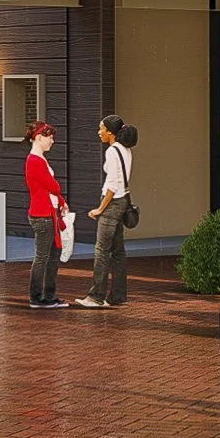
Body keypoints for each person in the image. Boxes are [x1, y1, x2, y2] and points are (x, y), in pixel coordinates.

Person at [76, 115, 137, 309]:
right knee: (118, 251)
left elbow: (112, 184)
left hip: (112, 203)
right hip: (124, 201)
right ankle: (117, 296)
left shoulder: (112, 151)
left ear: (110, 132)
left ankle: (96, 296)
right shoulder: (126, 150)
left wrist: (100, 209)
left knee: (101, 250)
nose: (99, 132)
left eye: (101, 128)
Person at [23, 121, 69, 309]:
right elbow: (53, 186)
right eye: (49, 137)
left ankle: (48, 295)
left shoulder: (39, 159)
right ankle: (39, 297)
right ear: (39, 138)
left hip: (46, 213)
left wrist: (61, 202)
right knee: (44, 256)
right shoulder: (35, 161)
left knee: (50, 255)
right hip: (43, 215)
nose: (52, 141)